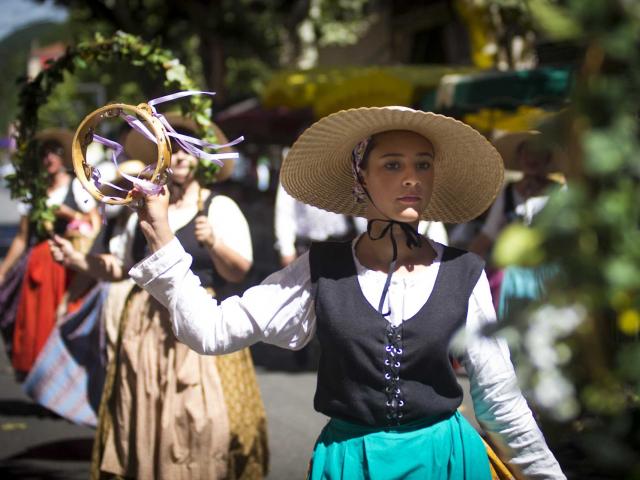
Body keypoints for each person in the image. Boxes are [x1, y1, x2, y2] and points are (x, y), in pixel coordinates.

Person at [129, 106, 566, 479]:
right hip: (352, 463)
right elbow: (211, 330)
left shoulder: (462, 271)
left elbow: (500, 401)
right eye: (393, 165)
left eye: (423, 164)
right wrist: (163, 237)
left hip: (446, 461)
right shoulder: (321, 269)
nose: (411, 178)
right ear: (361, 176)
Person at [52, 114, 269, 479]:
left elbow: (239, 271)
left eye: (189, 149)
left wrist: (213, 243)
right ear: (162, 156)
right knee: (145, 418)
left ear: (201, 159)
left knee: (202, 421)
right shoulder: (140, 209)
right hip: (145, 331)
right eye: (174, 148)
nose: (181, 156)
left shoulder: (218, 207)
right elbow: (119, 267)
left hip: (200, 322)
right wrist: (79, 261)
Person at [0, 129, 99, 378]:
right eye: (44, 154)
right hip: (40, 264)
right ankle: (41, 380)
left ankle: (67, 380)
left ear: (62, 156)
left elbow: (95, 225)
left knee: (66, 318)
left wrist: (69, 214)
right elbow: (23, 238)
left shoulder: (78, 187)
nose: (49, 158)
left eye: (54, 152)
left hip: (70, 265)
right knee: (37, 323)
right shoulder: (35, 192)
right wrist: (3, 270)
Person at [468, 130, 564, 259]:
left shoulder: (559, 192)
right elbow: (488, 233)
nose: (531, 157)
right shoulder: (508, 192)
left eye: (538, 152)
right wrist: (463, 264)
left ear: (547, 158)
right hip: (515, 271)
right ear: (519, 157)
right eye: (526, 152)